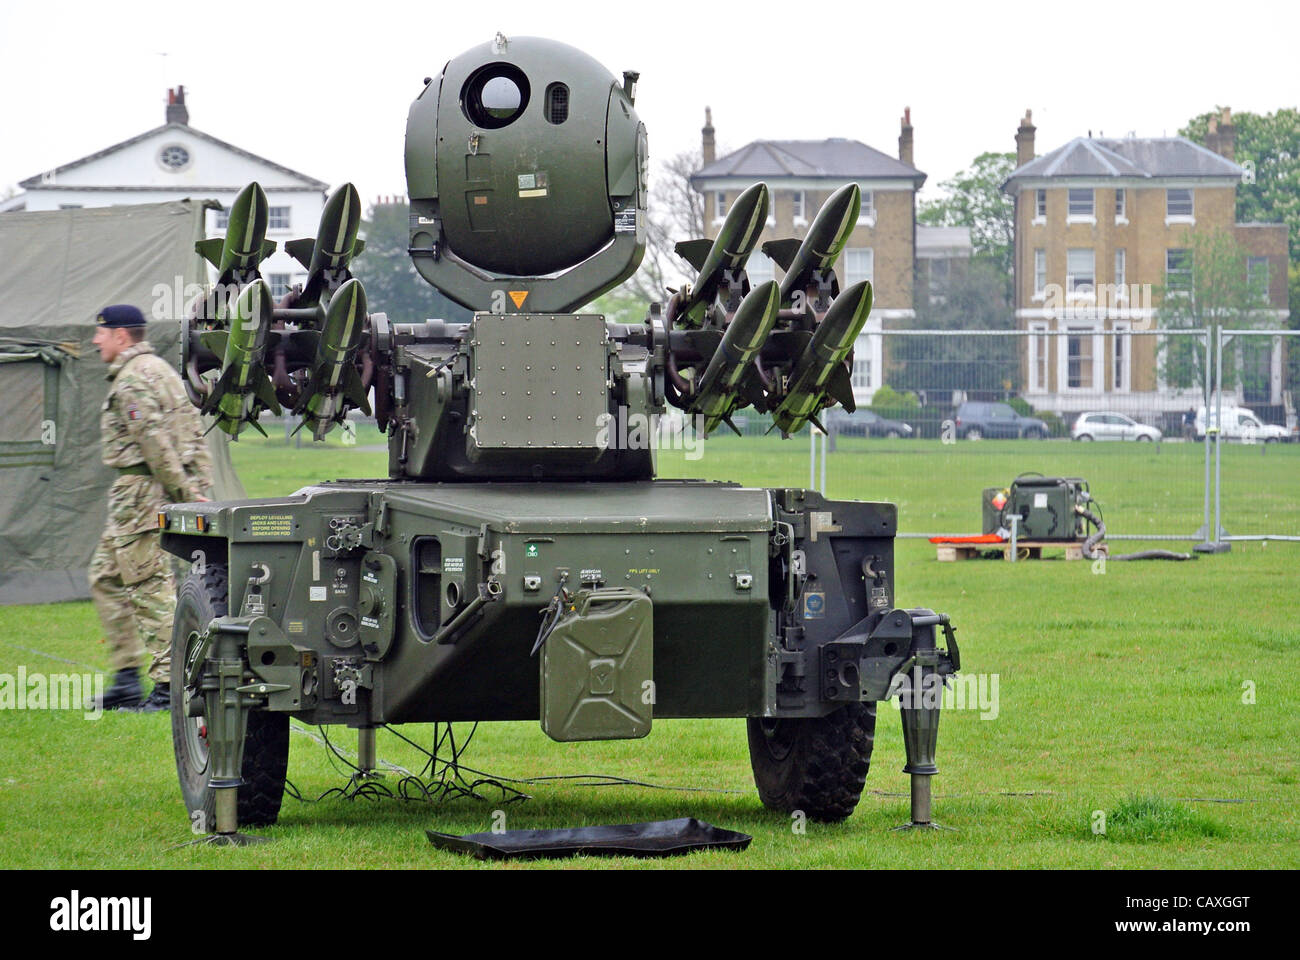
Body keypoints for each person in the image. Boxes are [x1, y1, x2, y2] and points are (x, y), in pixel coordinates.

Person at [89, 305, 214, 712]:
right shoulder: (158, 369)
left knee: (148, 587)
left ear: (121, 335)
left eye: (101, 334)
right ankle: (126, 677)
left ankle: (167, 687)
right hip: (147, 491)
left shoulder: (131, 380)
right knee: (106, 575)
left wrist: (183, 492)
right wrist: (196, 484)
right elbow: (191, 432)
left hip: (143, 491)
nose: (95, 341)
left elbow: (153, 440)